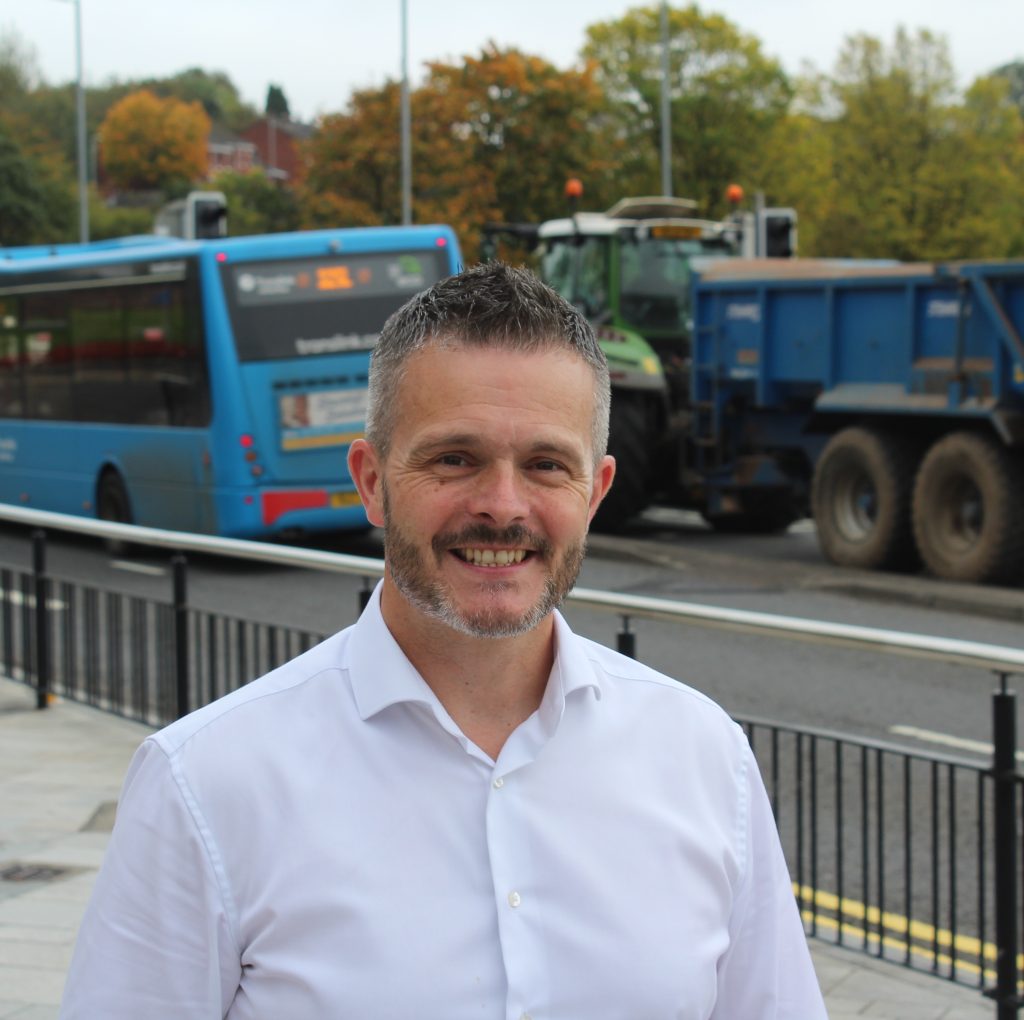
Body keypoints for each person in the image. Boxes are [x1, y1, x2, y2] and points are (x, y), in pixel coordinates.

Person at [60, 262, 826, 1019]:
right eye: (455, 459)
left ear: (595, 493)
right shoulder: (204, 785)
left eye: (546, 465)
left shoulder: (706, 758)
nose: (502, 506)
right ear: (371, 481)